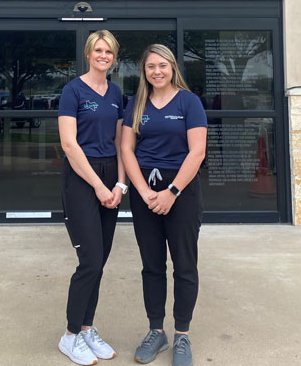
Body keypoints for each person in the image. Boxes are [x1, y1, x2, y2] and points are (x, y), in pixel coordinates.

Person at [121, 44, 207, 366]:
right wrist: (143, 192)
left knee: (184, 265)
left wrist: (171, 191)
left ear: (173, 67)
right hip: (144, 191)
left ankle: (182, 335)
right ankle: (156, 331)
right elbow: (127, 150)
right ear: (144, 71)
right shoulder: (136, 103)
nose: (156, 71)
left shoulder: (189, 102)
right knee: (152, 266)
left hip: (180, 190)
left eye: (162, 65)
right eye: (150, 67)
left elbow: (196, 152)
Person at [58, 30, 126, 366]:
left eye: (109, 52)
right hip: (82, 180)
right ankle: (69, 336)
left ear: (114, 57)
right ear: (88, 53)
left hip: (110, 178)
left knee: (100, 262)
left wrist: (120, 186)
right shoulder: (72, 91)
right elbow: (70, 145)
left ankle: (86, 328)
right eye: (98, 50)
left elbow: (120, 144)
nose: (103, 56)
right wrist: (99, 186)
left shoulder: (115, 93)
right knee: (89, 262)